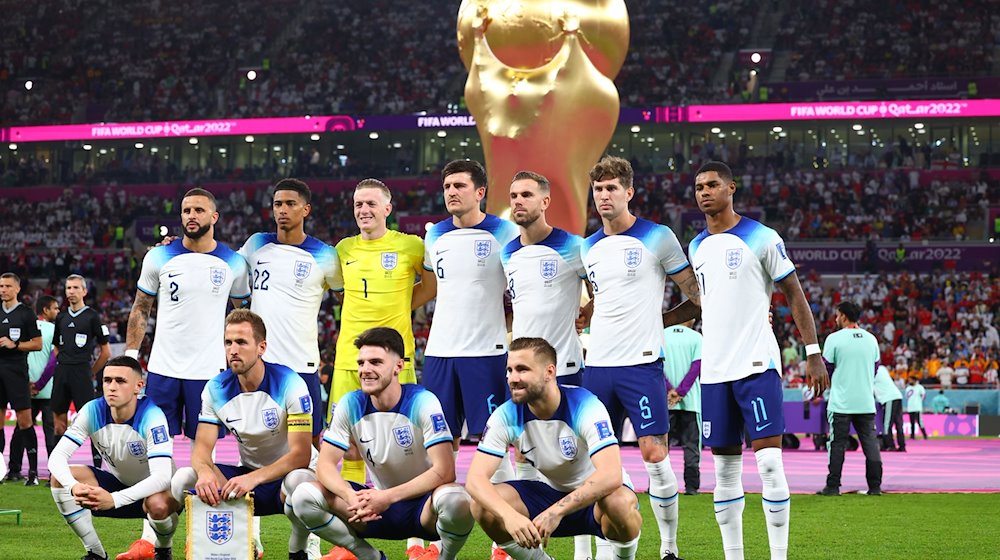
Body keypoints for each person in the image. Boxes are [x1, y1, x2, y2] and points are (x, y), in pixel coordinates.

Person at [689, 161, 829, 560]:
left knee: (769, 465)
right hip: (714, 372)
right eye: (698, 187)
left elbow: (794, 294)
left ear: (732, 187)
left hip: (756, 365)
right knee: (724, 474)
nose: (704, 192)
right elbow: (704, 304)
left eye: (712, 185)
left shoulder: (762, 237)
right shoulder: (696, 246)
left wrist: (813, 352)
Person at [580, 156, 697, 560]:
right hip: (597, 367)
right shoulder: (587, 247)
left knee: (655, 454)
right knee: (595, 464)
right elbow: (599, 299)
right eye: (598, 189)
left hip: (642, 364)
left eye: (612, 188)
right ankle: (606, 550)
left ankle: (669, 548)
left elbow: (696, 294)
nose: (604, 196)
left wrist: (661, 319)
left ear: (629, 193)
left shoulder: (658, 236)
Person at [288, 327, 473, 560]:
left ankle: (445, 558)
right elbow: (324, 465)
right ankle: (370, 556)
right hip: (372, 509)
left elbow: (445, 471)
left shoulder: (422, 401)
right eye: (361, 362)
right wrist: (349, 496)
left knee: (457, 499)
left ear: (399, 366)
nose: (365, 370)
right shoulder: (351, 403)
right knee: (303, 495)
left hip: (423, 510)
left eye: (375, 362)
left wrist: (387, 497)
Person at [466, 337, 643, 560]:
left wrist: (556, 511)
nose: (512, 378)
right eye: (509, 370)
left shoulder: (585, 405)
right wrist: (508, 516)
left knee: (617, 502)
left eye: (522, 369)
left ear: (549, 372)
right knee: (482, 507)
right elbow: (475, 479)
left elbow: (611, 475)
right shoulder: (506, 414)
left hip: (596, 502)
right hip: (548, 494)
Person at [164, 309, 318, 560]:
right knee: (183, 478)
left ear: (261, 347)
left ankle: (300, 547)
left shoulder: (290, 382)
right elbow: (201, 451)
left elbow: (300, 455)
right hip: (246, 473)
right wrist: (204, 473)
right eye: (228, 342)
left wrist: (253, 479)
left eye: (241, 342)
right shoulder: (215, 388)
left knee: (298, 482)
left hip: (288, 475)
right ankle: (164, 549)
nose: (233, 349)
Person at [500, 170, 593, 560]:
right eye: (513, 195)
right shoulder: (508, 252)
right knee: (524, 455)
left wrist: (589, 312)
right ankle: (533, 552)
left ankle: (586, 551)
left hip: (566, 368)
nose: (518, 201)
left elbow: (605, 289)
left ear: (545, 202)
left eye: (526, 195)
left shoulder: (575, 247)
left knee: (579, 459)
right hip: (523, 372)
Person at [126, 187, 251, 441]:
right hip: (163, 368)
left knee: (205, 451)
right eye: (186, 211)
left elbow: (244, 315)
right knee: (156, 447)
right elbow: (141, 307)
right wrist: (130, 357)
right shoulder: (158, 255)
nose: (191, 215)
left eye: (199, 210)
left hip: (209, 371)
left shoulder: (234, 263)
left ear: (214, 217)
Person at [421, 160, 519, 465]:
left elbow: (520, 290)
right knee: (441, 438)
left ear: (480, 192)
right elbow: (432, 286)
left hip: (486, 351)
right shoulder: (434, 234)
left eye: (459, 185)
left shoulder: (506, 232)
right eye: (447, 186)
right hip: (439, 352)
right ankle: (445, 505)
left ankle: (502, 505)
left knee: (493, 436)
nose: (451, 192)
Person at [329, 179, 425, 486]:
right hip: (349, 357)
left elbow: (432, 285)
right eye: (359, 204)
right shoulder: (343, 249)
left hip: (396, 358)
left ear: (387, 208)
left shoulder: (411, 245)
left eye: (371, 203)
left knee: (406, 439)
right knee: (349, 443)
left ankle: (410, 518)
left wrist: (401, 305)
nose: (364, 210)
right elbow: (341, 292)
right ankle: (354, 513)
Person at [238, 178, 342, 447]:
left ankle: (314, 487)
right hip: (261, 362)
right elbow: (223, 268)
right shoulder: (256, 244)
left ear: (305, 210)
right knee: (255, 437)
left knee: (310, 440)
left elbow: (346, 299)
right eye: (277, 204)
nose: (282, 210)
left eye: (290, 204)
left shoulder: (325, 255)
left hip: (301, 361)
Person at [48, 355, 175, 560]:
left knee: (158, 505)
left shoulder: (153, 416)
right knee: (60, 479)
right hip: (120, 484)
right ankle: (95, 553)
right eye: (107, 380)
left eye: (120, 381)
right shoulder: (93, 410)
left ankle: (163, 550)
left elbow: (162, 477)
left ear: (138, 386)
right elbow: (56, 458)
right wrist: (73, 486)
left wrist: (114, 499)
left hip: (158, 492)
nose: (112, 387)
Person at [815, 301, 883, 497]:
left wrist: (819, 390)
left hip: (841, 402)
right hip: (865, 402)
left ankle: (833, 486)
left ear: (843, 316)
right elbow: (875, 368)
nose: (836, 319)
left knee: (837, 444)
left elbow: (825, 369)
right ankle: (875, 487)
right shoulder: (871, 339)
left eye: (837, 315)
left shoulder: (834, 339)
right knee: (870, 444)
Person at [52, 275, 111, 472]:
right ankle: (57, 468)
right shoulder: (61, 317)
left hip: (82, 372)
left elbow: (106, 352)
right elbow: (56, 347)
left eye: (76, 287)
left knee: (91, 422)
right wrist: (64, 363)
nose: (71, 291)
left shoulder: (92, 316)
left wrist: (91, 372)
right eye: (68, 288)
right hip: (62, 372)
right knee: (58, 422)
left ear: (84, 291)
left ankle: (98, 469)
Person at [8, 294, 59, 483]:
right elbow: (54, 361)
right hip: (46, 390)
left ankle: (14, 471)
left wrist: (27, 383)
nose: (57, 311)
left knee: (21, 430)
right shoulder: (54, 329)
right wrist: (40, 384)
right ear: (45, 310)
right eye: (55, 308)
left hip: (24, 387)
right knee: (50, 432)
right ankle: (54, 474)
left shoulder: (22, 327)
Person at [0, 272, 43, 484]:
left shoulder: (26, 314)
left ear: (17, 289)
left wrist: (15, 345)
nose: (3, 290)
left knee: (25, 422)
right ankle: (1, 470)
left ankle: (33, 473)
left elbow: (38, 343)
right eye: (1, 286)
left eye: (7, 286)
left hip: (17, 372)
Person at [663, 320, 703, 496]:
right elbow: (697, 367)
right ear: (692, 320)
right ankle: (691, 486)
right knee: (691, 446)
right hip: (690, 402)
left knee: (661, 446)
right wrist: (681, 392)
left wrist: (670, 390)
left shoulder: (661, 335)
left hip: (665, 401)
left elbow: (655, 366)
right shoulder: (696, 337)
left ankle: (659, 485)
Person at [873, 365, 905, 452]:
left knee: (887, 424)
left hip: (889, 398)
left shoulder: (871, 371)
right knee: (899, 423)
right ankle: (902, 445)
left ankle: (890, 445)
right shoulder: (882, 368)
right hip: (897, 396)